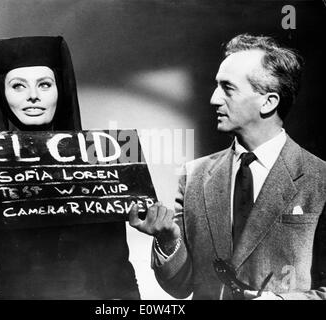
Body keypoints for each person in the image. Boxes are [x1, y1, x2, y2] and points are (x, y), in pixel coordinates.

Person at [130, 34, 326, 300]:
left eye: (228, 88)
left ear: (268, 102)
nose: (213, 99)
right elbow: (180, 287)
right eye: (216, 86)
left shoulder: (319, 179)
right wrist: (168, 239)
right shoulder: (194, 177)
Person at [0, 36, 140, 299]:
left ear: (59, 90)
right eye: (18, 86)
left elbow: (116, 275)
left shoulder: (97, 159)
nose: (33, 96)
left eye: (44, 84)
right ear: (2, 93)